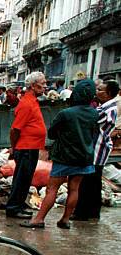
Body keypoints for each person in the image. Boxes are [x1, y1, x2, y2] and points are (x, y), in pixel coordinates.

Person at [21, 79, 99, 229]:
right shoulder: (94, 114)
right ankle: (65, 219)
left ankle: (39, 219)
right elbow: (93, 134)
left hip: (64, 157)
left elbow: (52, 133)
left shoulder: (66, 113)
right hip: (84, 157)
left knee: (52, 189)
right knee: (74, 189)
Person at [72, 79, 119, 221]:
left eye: (100, 90)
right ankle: (91, 212)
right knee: (93, 182)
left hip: (97, 148)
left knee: (88, 182)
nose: (97, 92)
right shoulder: (104, 107)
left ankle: (83, 213)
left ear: (109, 93)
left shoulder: (108, 109)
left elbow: (90, 120)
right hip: (96, 147)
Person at [5, 72, 47, 219]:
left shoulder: (31, 101)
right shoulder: (26, 103)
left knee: (26, 178)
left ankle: (19, 204)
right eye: (43, 83)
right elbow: (15, 129)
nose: (45, 86)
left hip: (31, 147)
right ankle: (13, 207)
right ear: (34, 86)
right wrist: (15, 147)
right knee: (21, 178)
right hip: (25, 147)